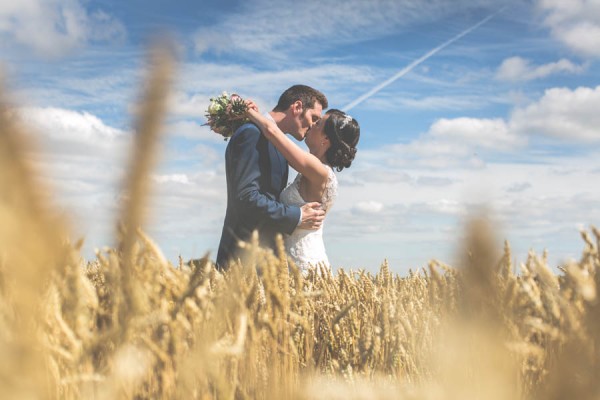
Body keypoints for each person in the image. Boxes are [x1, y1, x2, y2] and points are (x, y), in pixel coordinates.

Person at [216, 85, 329, 270]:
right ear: (297, 107)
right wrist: (297, 215)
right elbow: (245, 197)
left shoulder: (276, 142)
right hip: (241, 259)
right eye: (313, 118)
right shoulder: (251, 133)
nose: (312, 126)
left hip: (263, 259)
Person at [245, 102, 360, 272]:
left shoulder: (319, 171)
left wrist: (247, 111)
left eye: (318, 123)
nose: (312, 124)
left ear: (326, 139)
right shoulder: (315, 169)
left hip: (302, 264)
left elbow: (272, 132)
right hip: (295, 259)